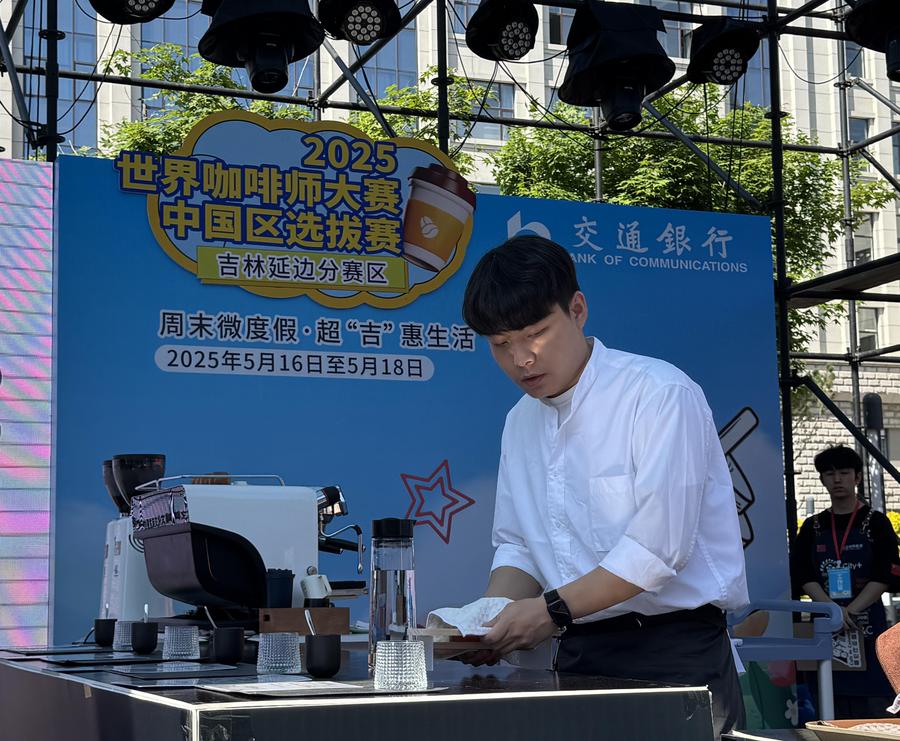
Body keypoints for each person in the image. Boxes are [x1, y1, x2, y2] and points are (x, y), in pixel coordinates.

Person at [460, 235, 750, 738]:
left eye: (535, 333)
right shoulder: (519, 421)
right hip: (576, 653)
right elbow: (519, 546)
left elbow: (655, 550)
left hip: (674, 654)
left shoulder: (658, 393)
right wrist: (490, 621)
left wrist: (548, 611)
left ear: (578, 310)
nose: (521, 359)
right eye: (501, 344)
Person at [791, 445, 899, 719]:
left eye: (844, 472)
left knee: (876, 707)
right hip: (826, 625)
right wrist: (832, 610)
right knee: (828, 704)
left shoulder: (876, 522)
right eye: (829, 474)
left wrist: (850, 610)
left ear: (858, 477)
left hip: (868, 625)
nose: (837, 479)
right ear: (822, 479)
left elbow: (886, 573)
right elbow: (803, 574)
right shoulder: (813, 526)